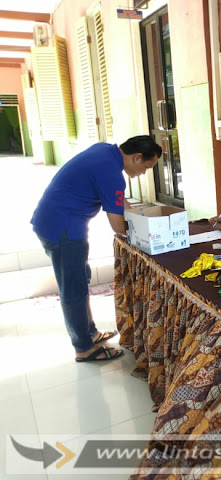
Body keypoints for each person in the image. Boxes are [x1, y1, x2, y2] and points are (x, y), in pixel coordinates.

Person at [31, 135, 161, 362]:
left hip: (56, 221)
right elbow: (117, 225)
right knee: (73, 287)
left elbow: (121, 202)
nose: (144, 173)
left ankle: (90, 333)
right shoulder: (112, 174)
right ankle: (83, 347)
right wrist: (140, 238)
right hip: (62, 229)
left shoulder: (106, 152)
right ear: (136, 157)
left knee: (80, 279)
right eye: (147, 167)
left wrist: (141, 219)